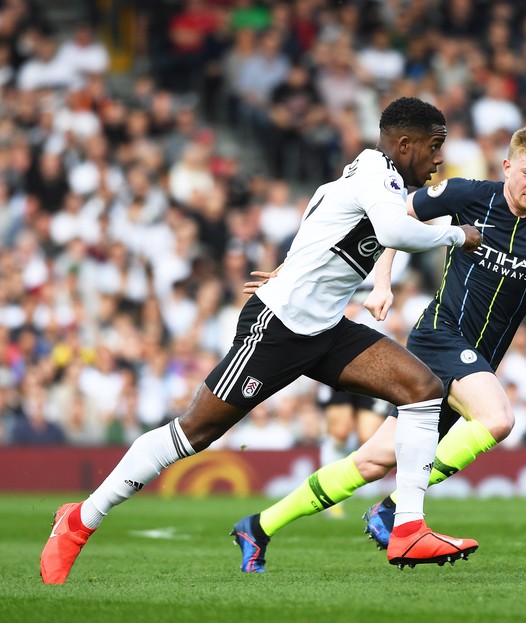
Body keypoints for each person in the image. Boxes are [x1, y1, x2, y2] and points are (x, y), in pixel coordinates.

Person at [39, 96, 484, 584]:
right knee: (194, 433)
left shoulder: (381, 178)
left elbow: (334, 228)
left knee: (422, 390)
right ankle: (80, 520)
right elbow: (395, 230)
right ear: (405, 143)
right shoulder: (375, 174)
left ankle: (409, 529)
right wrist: (458, 237)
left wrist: (304, 270)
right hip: (276, 327)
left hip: (326, 328)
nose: (439, 157)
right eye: (434, 145)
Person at [229, 125, 526, 572]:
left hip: (478, 360)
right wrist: (381, 281)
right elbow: (391, 219)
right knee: (497, 418)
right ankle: (394, 511)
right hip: (440, 336)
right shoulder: (469, 195)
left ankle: (258, 526)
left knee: (370, 462)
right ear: (507, 165)